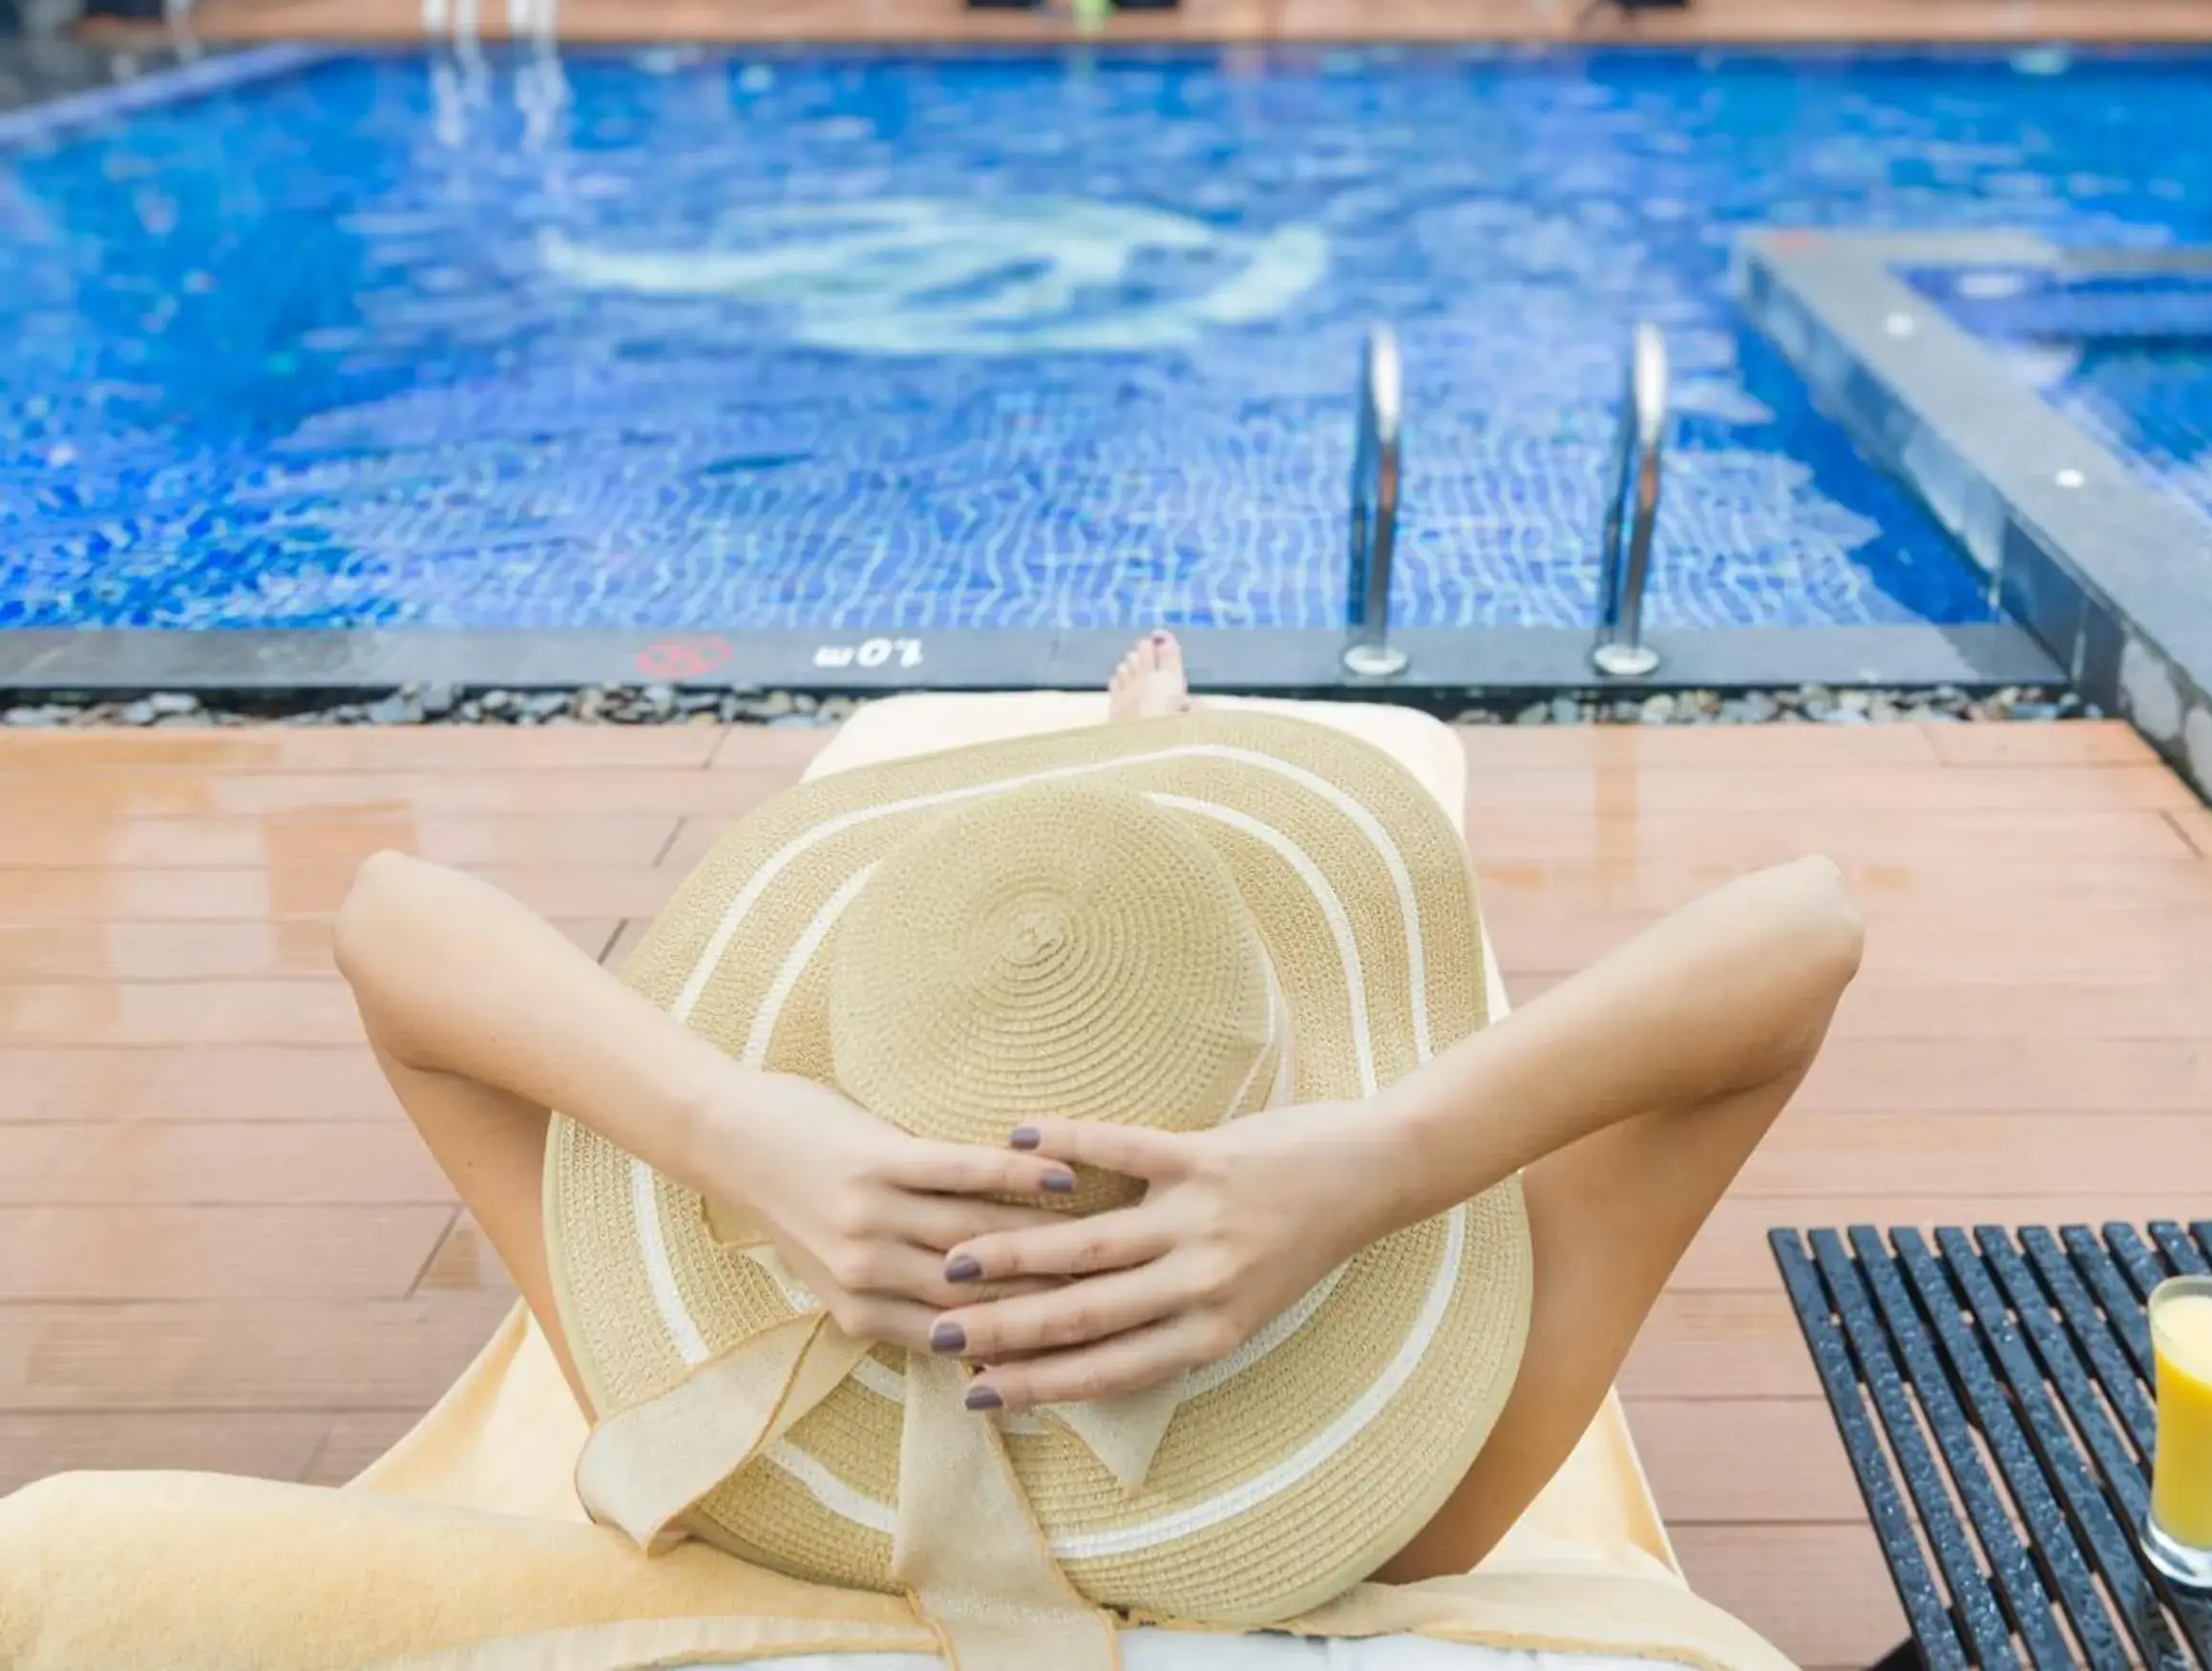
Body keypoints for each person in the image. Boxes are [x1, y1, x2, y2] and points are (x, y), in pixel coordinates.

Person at [333, 630, 1863, 1595]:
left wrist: (730, 1127)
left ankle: (1137, 782)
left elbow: (391, 920)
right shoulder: (1419, 1515)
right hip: (1308, 1270)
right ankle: (1154, 782)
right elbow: (1804, 931)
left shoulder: (708, 1447)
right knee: (1121, 927)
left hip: (798, 1332)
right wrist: (1384, 1160)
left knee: (1048, 918)